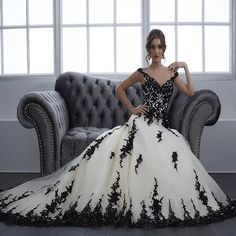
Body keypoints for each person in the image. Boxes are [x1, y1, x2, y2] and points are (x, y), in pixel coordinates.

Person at [0, 29, 235, 228]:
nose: (156, 52)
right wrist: (133, 108)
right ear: (148, 49)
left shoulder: (172, 73)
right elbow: (120, 89)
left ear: (164, 50)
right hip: (142, 124)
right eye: (153, 47)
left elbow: (191, 93)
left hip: (162, 129)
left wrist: (184, 66)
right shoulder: (142, 73)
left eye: (160, 47)